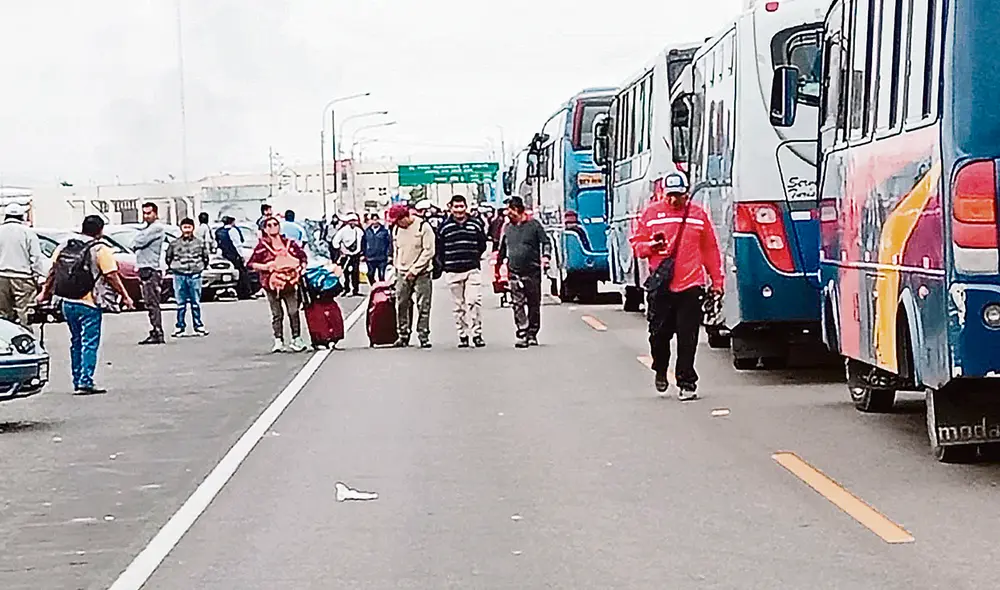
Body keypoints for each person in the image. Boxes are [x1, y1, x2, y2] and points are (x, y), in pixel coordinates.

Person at [630, 171, 723, 400]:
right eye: (669, 195)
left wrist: (717, 282)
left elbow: (710, 250)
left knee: (687, 335)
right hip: (661, 287)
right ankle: (660, 368)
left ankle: (687, 381)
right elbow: (637, 246)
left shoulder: (698, 215)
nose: (673, 200)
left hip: (691, 285)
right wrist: (651, 246)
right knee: (659, 335)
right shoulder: (651, 214)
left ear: (686, 193)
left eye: (678, 195)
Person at [37, 215, 134, 395]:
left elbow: (52, 271)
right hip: (88, 302)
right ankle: (86, 381)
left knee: (76, 341)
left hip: (67, 302)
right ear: (100, 230)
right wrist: (126, 297)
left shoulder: (65, 246)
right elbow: (112, 275)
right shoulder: (100, 249)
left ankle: (77, 379)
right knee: (89, 342)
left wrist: (44, 293)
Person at [248, 216, 309, 353]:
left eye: (275, 224)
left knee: (293, 311)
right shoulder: (262, 246)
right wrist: (267, 267)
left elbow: (302, 257)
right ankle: (278, 340)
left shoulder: (289, 243)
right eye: (269, 225)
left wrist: (301, 268)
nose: (273, 227)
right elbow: (251, 264)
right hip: (272, 285)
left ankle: (296, 338)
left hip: (291, 282)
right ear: (264, 229)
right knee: (277, 313)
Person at [496, 196, 550, 349]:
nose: (507, 213)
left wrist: (545, 257)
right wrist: (498, 266)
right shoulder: (507, 228)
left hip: (532, 272)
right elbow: (502, 248)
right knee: (517, 304)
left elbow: (546, 242)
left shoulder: (534, 225)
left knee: (534, 304)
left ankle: (532, 332)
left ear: (517, 209)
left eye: (509, 210)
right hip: (514, 272)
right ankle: (522, 332)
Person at [437, 195, 488, 348]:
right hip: (453, 270)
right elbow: (439, 248)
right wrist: (445, 263)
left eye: (461, 206)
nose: (459, 210)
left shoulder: (476, 224)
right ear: (450, 208)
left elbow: (482, 244)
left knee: (473, 301)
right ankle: (463, 334)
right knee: (458, 306)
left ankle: (477, 333)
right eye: (456, 207)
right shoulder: (444, 227)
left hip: (472, 269)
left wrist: (474, 257)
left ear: (466, 207)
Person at [387, 204, 435, 349]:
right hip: (402, 271)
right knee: (401, 303)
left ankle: (423, 334)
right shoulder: (396, 229)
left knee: (423, 305)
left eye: (398, 221)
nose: (397, 224)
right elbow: (397, 250)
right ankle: (403, 334)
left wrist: (415, 269)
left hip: (422, 273)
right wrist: (396, 269)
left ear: (406, 217)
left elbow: (429, 251)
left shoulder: (423, 227)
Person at [0, 203, 46, 327]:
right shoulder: (28, 232)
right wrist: (39, 279)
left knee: (3, 315)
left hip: (1, 278)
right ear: (22, 217)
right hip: (23, 278)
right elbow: (35, 258)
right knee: (25, 314)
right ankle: (27, 341)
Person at [165, 217, 210, 337]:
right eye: (185, 227)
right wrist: (175, 267)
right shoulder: (174, 243)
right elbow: (168, 257)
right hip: (179, 274)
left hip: (195, 274)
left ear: (193, 228)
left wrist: (200, 268)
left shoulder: (199, 242)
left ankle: (198, 326)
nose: (187, 230)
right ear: (181, 228)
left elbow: (205, 257)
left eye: (189, 227)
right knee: (180, 303)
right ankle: (180, 327)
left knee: (195, 302)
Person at [132, 202, 166, 345]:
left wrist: (137, 241)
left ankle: (157, 331)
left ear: (156, 214)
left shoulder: (156, 228)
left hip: (151, 269)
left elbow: (137, 242)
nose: (146, 216)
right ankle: (155, 330)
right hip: (144, 268)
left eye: (149, 213)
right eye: (144, 213)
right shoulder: (146, 229)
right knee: (148, 302)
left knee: (152, 303)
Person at [216, 216, 253, 300]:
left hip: (225, 255)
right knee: (242, 273)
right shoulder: (233, 231)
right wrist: (241, 255)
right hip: (234, 255)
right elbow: (237, 244)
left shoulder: (219, 231)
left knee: (238, 273)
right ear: (232, 222)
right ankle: (244, 292)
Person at [330, 213, 365, 296]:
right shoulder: (343, 231)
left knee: (355, 272)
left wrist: (362, 252)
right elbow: (335, 242)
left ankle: (355, 289)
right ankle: (346, 288)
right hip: (346, 255)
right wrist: (341, 250)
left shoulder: (359, 231)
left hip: (356, 255)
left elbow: (363, 242)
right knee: (346, 272)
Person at [361, 212, 392, 285]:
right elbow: (363, 243)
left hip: (382, 257)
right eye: (373, 220)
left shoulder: (384, 231)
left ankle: (381, 291)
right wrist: (363, 254)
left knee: (381, 276)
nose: (375, 222)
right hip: (370, 257)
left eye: (376, 220)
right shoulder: (367, 231)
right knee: (370, 274)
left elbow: (389, 243)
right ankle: (374, 286)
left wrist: (389, 254)